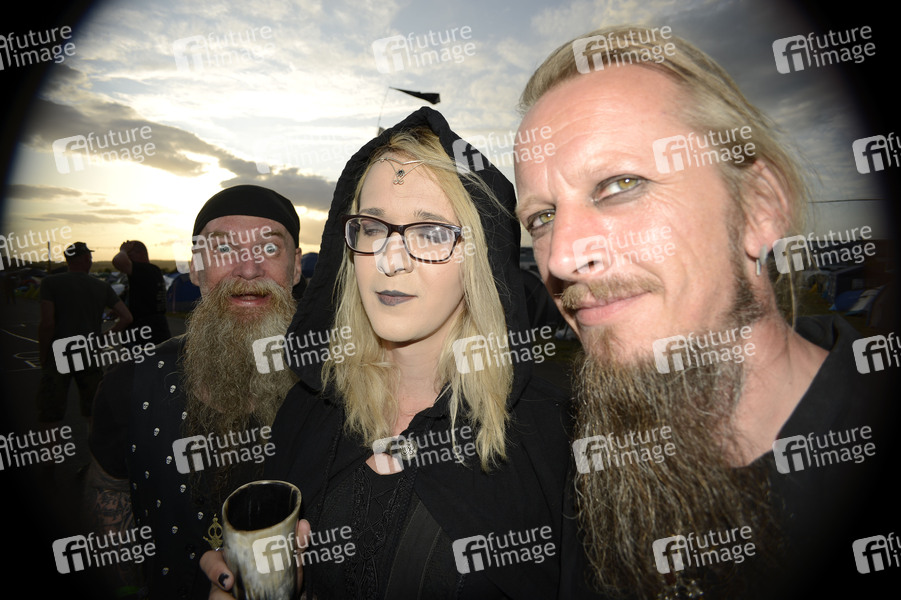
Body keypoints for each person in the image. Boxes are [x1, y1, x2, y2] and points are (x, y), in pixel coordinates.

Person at [513, 25, 899, 599]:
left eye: (620, 184)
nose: (563, 256)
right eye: (542, 218)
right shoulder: (584, 472)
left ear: (758, 207)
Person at [202, 107, 571, 599]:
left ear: (480, 257)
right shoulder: (308, 411)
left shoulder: (553, 436)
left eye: (431, 232)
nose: (389, 260)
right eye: (373, 227)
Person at [85, 185, 303, 599]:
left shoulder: (334, 386)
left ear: (294, 269)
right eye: (224, 249)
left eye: (269, 248)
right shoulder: (129, 384)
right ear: (196, 269)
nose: (249, 270)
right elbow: (108, 489)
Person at [37, 241, 132, 431]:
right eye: (90, 257)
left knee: (51, 412)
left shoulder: (50, 283)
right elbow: (127, 318)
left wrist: (43, 354)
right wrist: (103, 338)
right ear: (86, 259)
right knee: (93, 410)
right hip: (89, 352)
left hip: (59, 353)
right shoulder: (101, 286)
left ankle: (51, 449)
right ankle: (94, 449)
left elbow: (47, 324)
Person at [112, 239, 172, 346]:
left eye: (129, 255)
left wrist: (123, 250)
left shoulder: (146, 270)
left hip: (146, 335)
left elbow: (118, 261)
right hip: (155, 331)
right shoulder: (151, 271)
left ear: (141, 254)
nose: (128, 259)